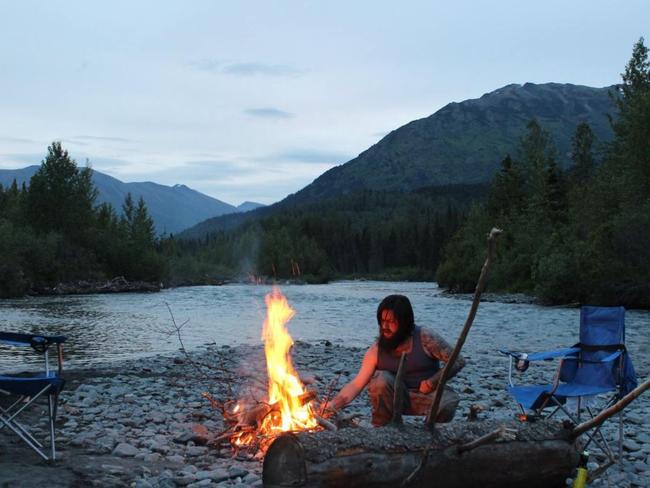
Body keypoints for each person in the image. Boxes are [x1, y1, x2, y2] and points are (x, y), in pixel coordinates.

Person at [328, 294, 465, 426]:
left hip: (427, 397)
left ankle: (429, 432)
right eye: (382, 321)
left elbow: (458, 360)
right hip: (395, 398)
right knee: (380, 379)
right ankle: (382, 428)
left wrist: (433, 381)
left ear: (405, 323)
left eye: (391, 322)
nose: (385, 327)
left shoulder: (425, 338)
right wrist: (332, 405)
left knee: (449, 401)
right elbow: (357, 384)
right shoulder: (376, 350)